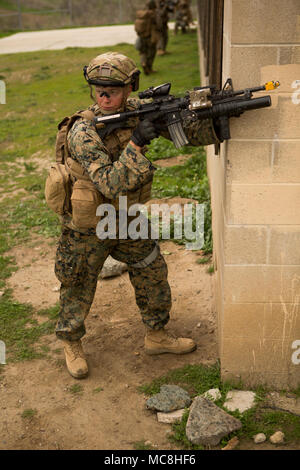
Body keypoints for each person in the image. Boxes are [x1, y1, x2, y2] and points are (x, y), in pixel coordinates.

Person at [51, 51, 220, 379]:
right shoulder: (82, 131)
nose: (104, 95)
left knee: (151, 268)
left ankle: (156, 334)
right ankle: (71, 341)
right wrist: (139, 141)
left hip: (126, 218)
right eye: (98, 88)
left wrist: (213, 121)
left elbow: (187, 134)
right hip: (89, 224)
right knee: (78, 282)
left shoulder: (138, 112)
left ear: (130, 88)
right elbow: (110, 183)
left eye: (112, 89)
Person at [134, 0, 159, 74]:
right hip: (150, 36)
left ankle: (143, 63)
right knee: (152, 52)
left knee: (143, 52)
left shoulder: (141, 13)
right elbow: (158, 24)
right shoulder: (152, 14)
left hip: (141, 36)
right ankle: (149, 68)